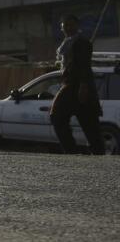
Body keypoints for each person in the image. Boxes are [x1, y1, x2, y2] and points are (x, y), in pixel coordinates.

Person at [49, 14, 105, 155]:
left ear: (77, 26)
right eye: (65, 25)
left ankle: (96, 153)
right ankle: (72, 151)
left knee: (89, 125)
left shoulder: (82, 43)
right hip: (70, 86)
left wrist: (84, 86)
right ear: (62, 28)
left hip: (79, 86)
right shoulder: (66, 45)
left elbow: (84, 66)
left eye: (71, 24)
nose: (68, 28)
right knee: (58, 116)